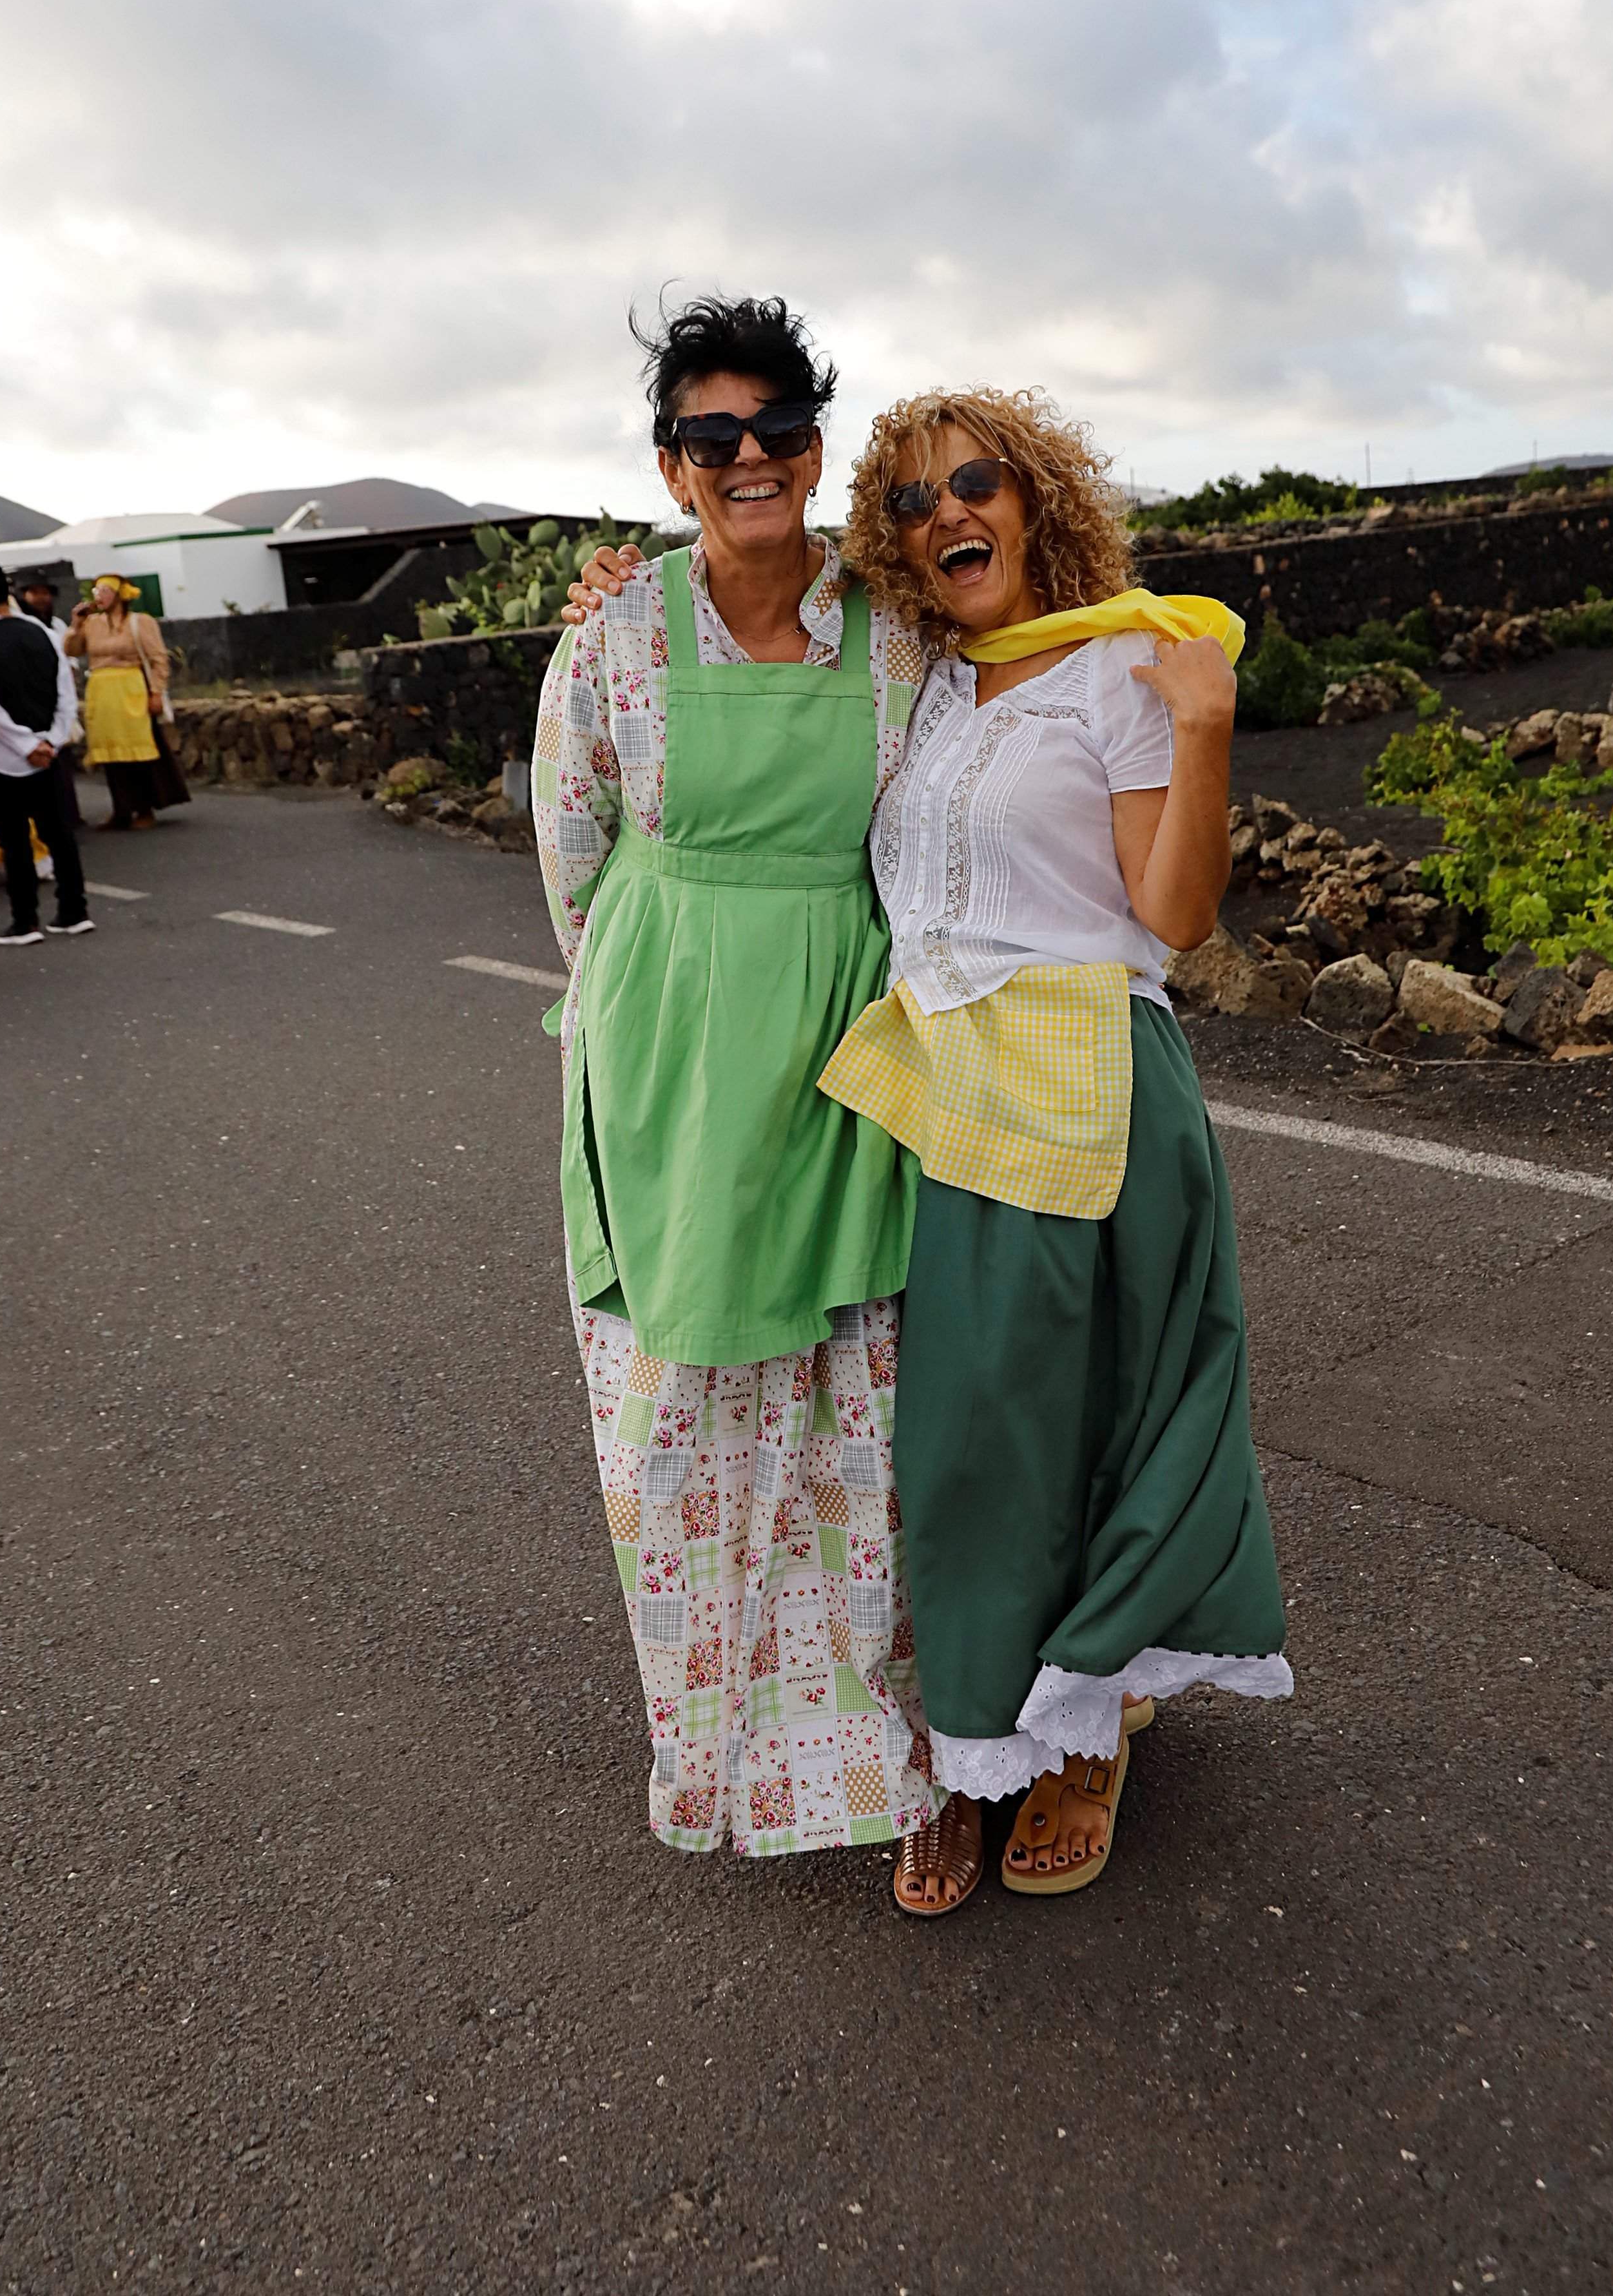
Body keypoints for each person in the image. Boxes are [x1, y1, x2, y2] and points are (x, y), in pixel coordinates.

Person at [816, 389, 1291, 1913]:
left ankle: (1075, 1727)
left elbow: (1174, 913)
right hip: (943, 1089)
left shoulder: (1115, 669)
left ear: (1030, 499)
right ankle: (978, 1731)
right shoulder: (926, 685)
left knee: (1062, 1422)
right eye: (907, 497)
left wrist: (1206, 724)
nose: (944, 510)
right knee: (966, 1433)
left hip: (1084, 1072)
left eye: (972, 481)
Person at [532, 296, 937, 1859]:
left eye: (776, 428)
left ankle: (895, 1767)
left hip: (847, 1060)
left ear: (818, 449)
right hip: (670, 1071)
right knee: (684, 1427)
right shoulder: (612, 635)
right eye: (716, 435)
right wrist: (651, 1016)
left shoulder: (899, 632)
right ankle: (727, 1759)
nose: (750, 454)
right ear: (673, 465)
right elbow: (575, 861)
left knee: (867, 1420)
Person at [0, 564, 92, 945]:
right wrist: (52, 740)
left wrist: (25, 744)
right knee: (59, 834)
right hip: (48, 751)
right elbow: (66, 694)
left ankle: (25, 920)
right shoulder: (44, 633)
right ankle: (73, 911)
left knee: (14, 841)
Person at [66, 575, 169, 828]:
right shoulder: (91, 624)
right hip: (102, 690)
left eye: (105, 590)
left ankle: (145, 809)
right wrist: (76, 626)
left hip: (130, 687)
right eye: (96, 590)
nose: (99, 595)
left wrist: (156, 692)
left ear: (120, 595)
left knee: (136, 749)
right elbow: (72, 650)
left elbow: (158, 659)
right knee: (110, 751)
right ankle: (121, 809)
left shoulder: (140, 622)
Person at [14, 572, 84, 840]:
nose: (41, 598)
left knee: (62, 759)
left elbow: (70, 659)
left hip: (59, 697)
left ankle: (69, 815)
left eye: (45, 593)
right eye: (35, 593)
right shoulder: (23, 625)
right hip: (34, 701)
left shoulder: (56, 624)